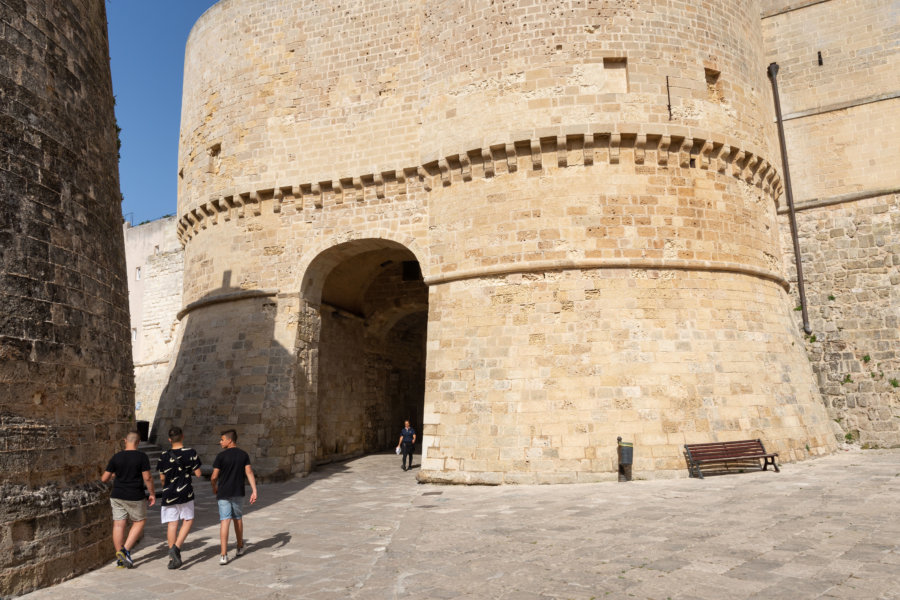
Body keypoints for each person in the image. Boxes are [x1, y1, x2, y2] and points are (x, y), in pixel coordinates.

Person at [101, 430, 155, 568]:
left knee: (118, 524)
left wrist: (116, 475)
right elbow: (147, 477)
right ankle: (125, 550)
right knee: (140, 521)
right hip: (134, 495)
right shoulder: (142, 457)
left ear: (125, 441)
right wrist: (152, 493)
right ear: (138, 442)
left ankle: (120, 557)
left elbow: (104, 478)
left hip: (117, 494)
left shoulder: (116, 457)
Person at [157, 426, 202, 569]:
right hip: (185, 492)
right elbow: (199, 474)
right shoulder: (191, 452)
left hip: (169, 493)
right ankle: (176, 547)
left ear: (170, 440)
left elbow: (162, 477)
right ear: (182, 436)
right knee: (188, 520)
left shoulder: (163, 455)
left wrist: (167, 486)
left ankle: (172, 559)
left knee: (172, 523)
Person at [211, 429, 258, 565]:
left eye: (222, 439)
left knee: (224, 521)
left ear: (229, 440)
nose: (220, 442)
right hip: (238, 492)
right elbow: (249, 472)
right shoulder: (243, 455)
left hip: (223, 493)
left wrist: (214, 486)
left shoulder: (220, 457)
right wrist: (254, 490)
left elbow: (214, 476)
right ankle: (239, 547)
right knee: (237, 519)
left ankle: (224, 555)